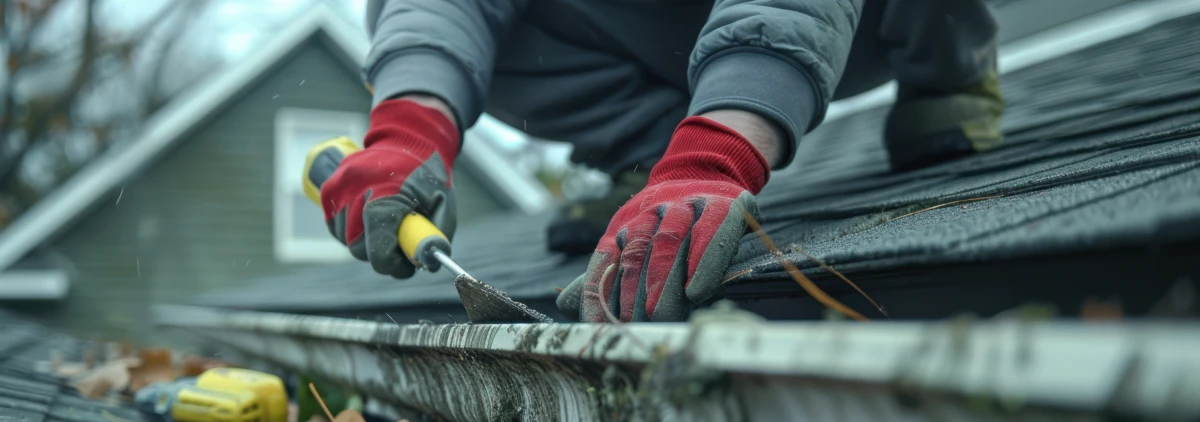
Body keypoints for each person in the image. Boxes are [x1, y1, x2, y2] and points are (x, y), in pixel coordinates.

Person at [314, 0, 1004, 322]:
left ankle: (949, 70)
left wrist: (716, 156)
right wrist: (408, 128)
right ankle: (649, 149)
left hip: (869, 23)